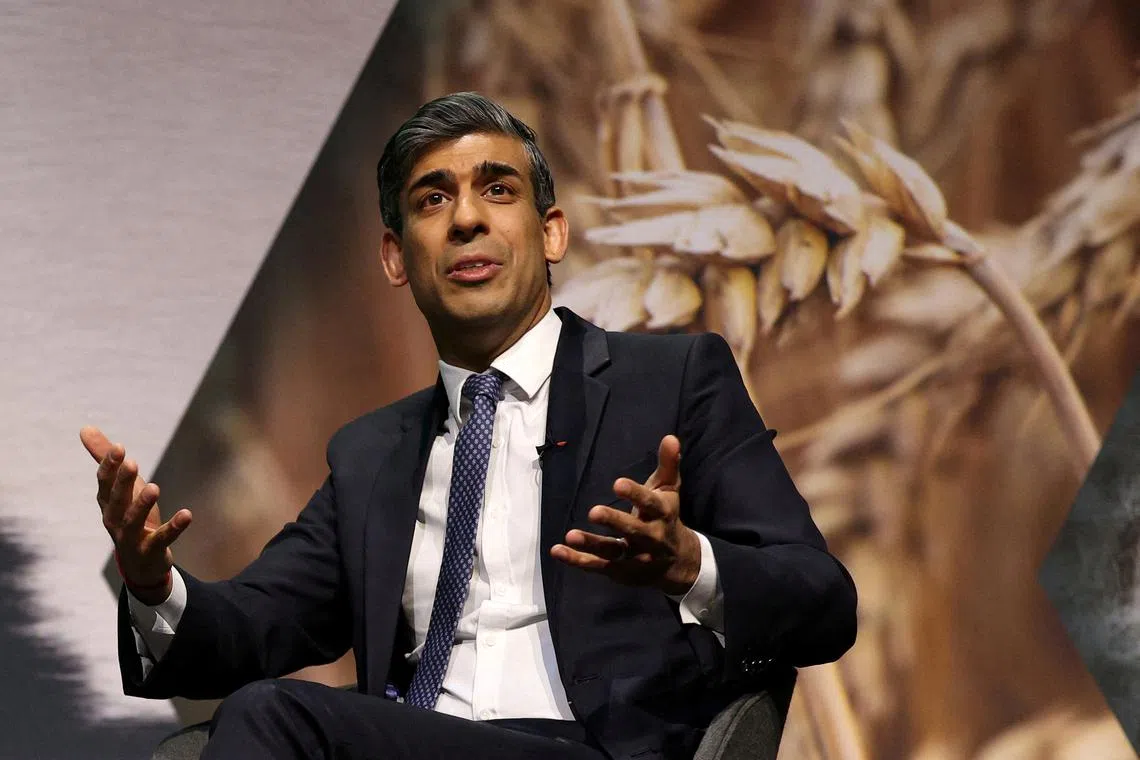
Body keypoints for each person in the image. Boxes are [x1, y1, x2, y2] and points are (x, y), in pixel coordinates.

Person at [81, 92, 857, 760]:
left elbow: (824, 602)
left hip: (594, 746)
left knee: (268, 721)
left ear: (551, 232)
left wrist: (689, 563)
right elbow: (256, 626)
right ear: (395, 258)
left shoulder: (673, 381)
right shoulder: (372, 455)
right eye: (432, 199)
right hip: (417, 739)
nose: (466, 221)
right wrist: (153, 586)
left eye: (497, 190)